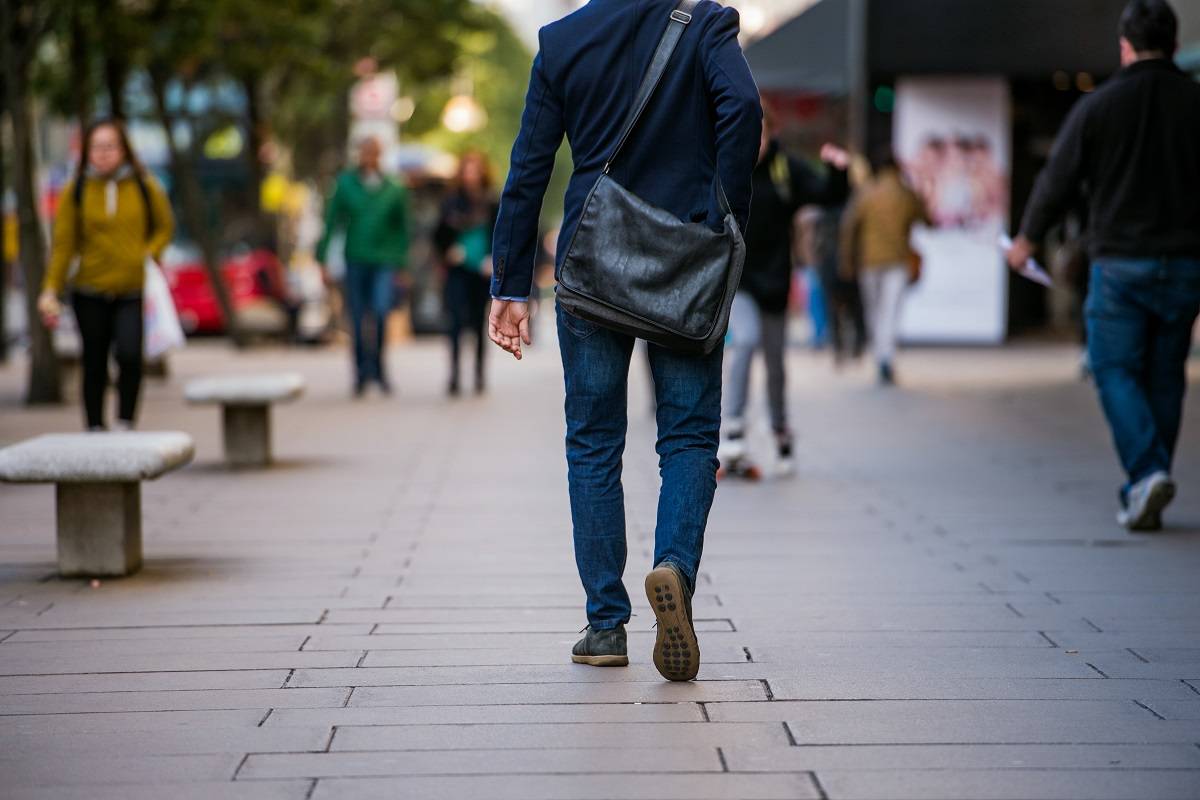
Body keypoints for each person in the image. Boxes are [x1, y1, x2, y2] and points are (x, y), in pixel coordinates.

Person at [487, 0, 760, 680]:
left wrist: (510, 285)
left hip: (593, 262)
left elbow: (529, 168)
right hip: (685, 263)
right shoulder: (705, 23)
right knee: (690, 437)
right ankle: (673, 568)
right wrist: (722, 216)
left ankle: (606, 626)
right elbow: (745, 110)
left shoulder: (562, 41)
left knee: (593, 441)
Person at [1006, 0, 1200, 531]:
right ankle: (1147, 477)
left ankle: (1145, 473)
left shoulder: (1101, 105)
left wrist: (1026, 238)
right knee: (1165, 374)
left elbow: (1058, 178)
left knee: (1113, 368)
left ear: (1124, 45)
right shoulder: (1194, 101)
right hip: (1186, 263)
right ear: (1175, 43)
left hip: (1119, 263)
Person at [720, 103, 848, 473]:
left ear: (771, 133)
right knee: (744, 341)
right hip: (739, 280)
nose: (753, 141)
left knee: (776, 364)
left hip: (774, 281)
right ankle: (734, 426)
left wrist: (838, 170)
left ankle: (779, 428)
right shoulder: (728, 166)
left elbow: (828, 194)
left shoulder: (785, 170)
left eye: (759, 132)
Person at [39, 119, 174, 432]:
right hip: (90, 288)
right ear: (87, 152)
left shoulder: (144, 185)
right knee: (94, 360)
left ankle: (126, 421)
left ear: (124, 150)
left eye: (110, 146)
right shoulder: (77, 190)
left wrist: (149, 254)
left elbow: (164, 227)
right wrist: (50, 290)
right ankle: (95, 426)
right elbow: (63, 245)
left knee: (130, 355)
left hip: (132, 288)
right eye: (96, 147)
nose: (103, 154)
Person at [316, 137, 409, 397]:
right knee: (356, 318)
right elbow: (331, 222)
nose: (369, 157)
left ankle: (379, 370)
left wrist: (402, 263)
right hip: (355, 258)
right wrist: (322, 259)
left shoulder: (393, 187)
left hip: (383, 261)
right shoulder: (346, 184)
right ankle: (360, 374)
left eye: (374, 153)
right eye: (365, 152)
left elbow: (402, 228)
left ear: (380, 155)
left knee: (380, 313)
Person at [839, 147, 930, 385]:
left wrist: (847, 260)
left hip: (869, 261)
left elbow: (849, 227)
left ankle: (880, 356)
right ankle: (885, 358)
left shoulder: (866, 193)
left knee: (874, 311)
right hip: (897, 260)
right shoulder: (906, 193)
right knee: (890, 311)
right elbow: (926, 219)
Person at [434, 152, 499, 396]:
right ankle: (454, 374)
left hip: (482, 271)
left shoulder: (492, 201)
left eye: (475, 169)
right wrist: (448, 250)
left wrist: (493, 259)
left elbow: (500, 234)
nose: (471, 175)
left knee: (478, 322)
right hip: (457, 270)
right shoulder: (451, 202)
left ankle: (479, 374)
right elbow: (438, 234)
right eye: (467, 169)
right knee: (455, 322)